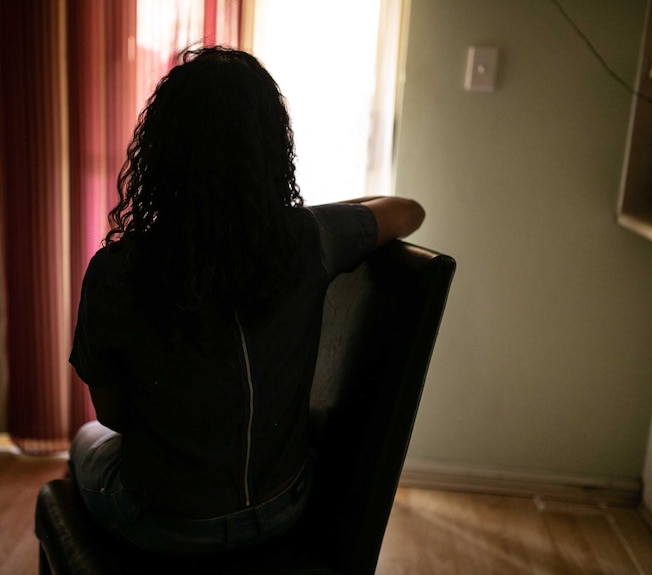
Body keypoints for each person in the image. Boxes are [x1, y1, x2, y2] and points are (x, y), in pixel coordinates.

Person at [69, 46, 425, 556]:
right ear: (270, 150)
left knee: (84, 440)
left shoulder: (117, 272)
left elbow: (114, 417)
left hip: (168, 524)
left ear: (162, 150)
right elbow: (409, 210)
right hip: (282, 506)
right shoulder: (309, 240)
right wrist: (296, 215)